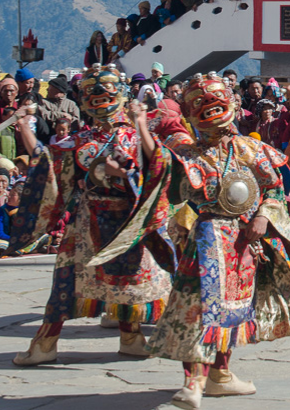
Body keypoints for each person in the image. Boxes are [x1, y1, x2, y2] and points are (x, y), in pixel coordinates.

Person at [122, 74, 290, 410]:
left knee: (232, 311)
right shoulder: (188, 153)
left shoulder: (251, 148)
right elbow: (160, 163)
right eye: (201, 106)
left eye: (216, 104)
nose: (210, 111)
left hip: (243, 242)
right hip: (205, 239)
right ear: (191, 115)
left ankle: (220, 373)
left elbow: (275, 188)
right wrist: (142, 126)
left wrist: (264, 216)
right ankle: (194, 381)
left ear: (232, 105)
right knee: (198, 308)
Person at [11, 66, 174, 366]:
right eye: (92, 96)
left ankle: (131, 335)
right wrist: (24, 128)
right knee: (68, 281)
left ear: (121, 96)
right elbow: (46, 163)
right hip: (88, 221)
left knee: (128, 281)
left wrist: (139, 129)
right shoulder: (78, 140)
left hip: (128, 221)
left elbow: (158, 166)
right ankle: (46, 341)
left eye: (107, 95)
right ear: (84, 100)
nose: (100, 102)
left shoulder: (135, 136)